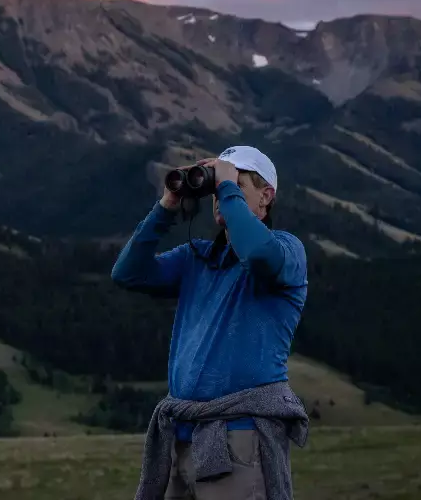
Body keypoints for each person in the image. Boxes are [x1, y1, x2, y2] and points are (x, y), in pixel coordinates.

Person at [111, 145, 310, 500]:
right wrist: (168, 204)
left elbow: (259, 255)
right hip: (182, 436)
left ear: (266, 197)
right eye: (216, 189)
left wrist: (225, 185)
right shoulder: (197, 258)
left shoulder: (286, 250)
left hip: (241, 437)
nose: (220, 195)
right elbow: (128, 273)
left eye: (234, 185)